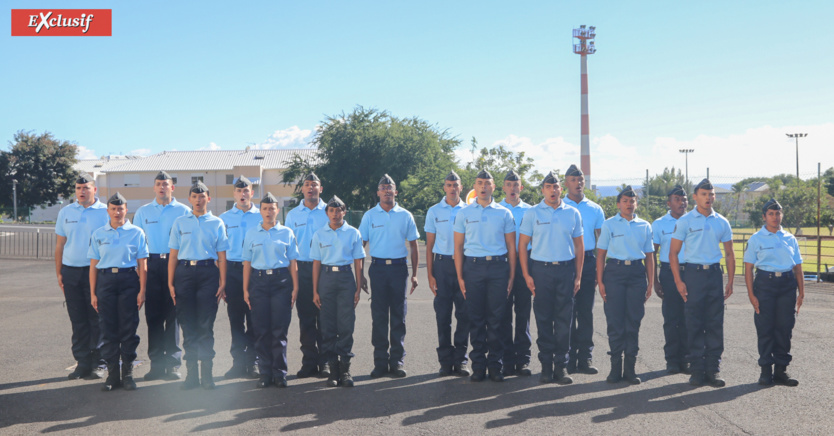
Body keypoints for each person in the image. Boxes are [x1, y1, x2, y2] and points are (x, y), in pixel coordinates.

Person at [518, 171, 583, 384]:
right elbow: (522, 245)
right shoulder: (533, 213)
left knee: (564, 321)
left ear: (560, 189)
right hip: (541, 271)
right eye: (548, 187)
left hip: (565, 270)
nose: (553, 191)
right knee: (544, 319)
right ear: (543, 190)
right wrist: (527, 274)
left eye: (556, 187)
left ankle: (561, 368)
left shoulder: (572, 213)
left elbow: (579, 246)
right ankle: (546, 367)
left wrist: (578, 276)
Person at [669, 178, 735, 388]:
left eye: (711, 194)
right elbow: (673, 253)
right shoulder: (685, 221)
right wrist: (679, 281)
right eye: (704, 194)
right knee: (694, 323)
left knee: (715, 323)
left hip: (714, 275)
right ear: (695, 196)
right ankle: (697, 370)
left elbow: (730, 254)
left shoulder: (722, 221)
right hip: (693, 275)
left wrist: (731, 281)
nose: (708, 198)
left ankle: (713, 370)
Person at [453, 169, 516, 382]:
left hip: (498, 268)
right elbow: (458, 246)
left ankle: (495, 366)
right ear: (474, 186)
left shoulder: (504, 213)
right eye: (479, 182)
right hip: (473, 268)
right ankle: (478, 365)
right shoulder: (464, 213)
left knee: (497, 319)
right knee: (476, 319)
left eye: (487, 183)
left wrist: (511, 276)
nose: (483, 186)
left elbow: (511, 246)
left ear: (493, 187)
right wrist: (460, 276)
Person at [168, 181, 230, 390]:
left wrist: (223, 281)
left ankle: (207, 376)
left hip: (207, 274)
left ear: (208, 199)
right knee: (188, 325)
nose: (198, 200)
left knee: (205, 325)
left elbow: (222, 256)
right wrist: (170, 282)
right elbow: (173, 255)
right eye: (194, 196)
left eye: (202, 196)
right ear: (189, 199)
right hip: (184, 273)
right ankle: (191, 376)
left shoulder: (216, 223)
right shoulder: (179, 222)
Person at [359, 174, 420, 378]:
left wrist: (414, 274)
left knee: (398, 317)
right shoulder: (369, 216)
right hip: (376, 269)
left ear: (396, 192)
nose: (386, 190)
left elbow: (413, 244)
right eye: (383, 187)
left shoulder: (405, 215)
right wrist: (360, 273)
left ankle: (397, 362)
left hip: (398, 269)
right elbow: (361, 245)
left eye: (390, 187)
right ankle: (380, 363)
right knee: (378, 317)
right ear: (378, 192)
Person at [88, 192, 149, 391]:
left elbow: (142, 265)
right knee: (108, 328)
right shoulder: (99, 234)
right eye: (113, 209)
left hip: (129, 281)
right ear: (108, 211)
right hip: (105, 281)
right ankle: (113, 375)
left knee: (128, 329)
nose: (117, 212)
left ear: (126, 210)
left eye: (120, 208)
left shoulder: (137, 232)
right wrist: (93, 293)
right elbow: (93, 266)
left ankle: (128, 374)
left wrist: (142, 291)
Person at [134, 170, 190, 381]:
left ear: (172, 187)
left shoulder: (184, 211)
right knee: (153, 317)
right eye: (158, 184)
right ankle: (156, 365)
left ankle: (174, 364)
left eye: (165, 184)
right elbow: (137, 244)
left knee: (173, 317)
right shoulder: (143, 212)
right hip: (151, 264)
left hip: (174, 263)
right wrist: (140, 272)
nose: (162, 187)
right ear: (154, 187)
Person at [596, 186, 654, 385]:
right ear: (618, 203)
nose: (629, 204)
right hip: (614, 273)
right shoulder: (609, 224)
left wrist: (650, 282)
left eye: (633, 201)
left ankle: (630, 369)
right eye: (625, 201)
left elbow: (649, 256)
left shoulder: (645, 225)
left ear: (636, 203)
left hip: (637, 274)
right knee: (615, 321)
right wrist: (600, 281)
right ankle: (614, 369)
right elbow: (601, 254)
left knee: (633, 322)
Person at [743, 198, 803, 387]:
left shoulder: (790, 238)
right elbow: (748, 269)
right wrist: (751, 295)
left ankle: (781, 371)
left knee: (785, 328)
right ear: (764, 217)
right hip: (765, 285)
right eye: (771, 214)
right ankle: (765, 371)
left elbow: (798, 267)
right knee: (765, 328)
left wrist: (801, 292)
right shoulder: (756, 239)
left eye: (778, 213)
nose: (775, 217)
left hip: (787, 285)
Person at [55, 173, 109, 380]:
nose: (82, 191)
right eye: (78, 188)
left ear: (95, 190)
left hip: (95, 271)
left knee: (96, 318)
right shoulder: (66, 212)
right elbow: (60, 245)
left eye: (86, 187)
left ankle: (98, 362)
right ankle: (82, 362)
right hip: (71, 272)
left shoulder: (105, 212)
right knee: (77, 320)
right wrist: (59, 273)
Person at [242, 192, 299, 388]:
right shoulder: (251, 234)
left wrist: (295, 287)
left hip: (281, 282)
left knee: (279, 330)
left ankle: (280, 373)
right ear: (261, 211)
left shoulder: (287, 233)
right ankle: (265, 373)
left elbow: (293, 263)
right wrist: (245, 289)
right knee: (261, 329)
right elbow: (247, 264)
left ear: (277, 210)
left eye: (272, 208)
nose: (268, 212)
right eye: (265, 208)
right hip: (258, 282)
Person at [311, 196, 366, 387]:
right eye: (331, 211)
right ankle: (333, 371)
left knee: (346, 325)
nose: (335, 214)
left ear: (344, 212)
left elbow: (358, 262)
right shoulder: (319, 234)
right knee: (327, 326)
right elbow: (316, 263)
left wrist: (358, 288)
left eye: (339, 210)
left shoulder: (353, 233)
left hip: (345, 279)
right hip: (326, 278)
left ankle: (345, 370)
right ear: (327, 213)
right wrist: (315, 291)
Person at [284, 172, 330, 379]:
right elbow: (288, 247)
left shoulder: (329, 211)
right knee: (306, 318)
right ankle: (309, 362)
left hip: (325, 270)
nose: (311, 187)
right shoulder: (293, 215)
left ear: (321, 188)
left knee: (325, 318)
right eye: (307, 185)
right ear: (302, 189)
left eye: (315, 184)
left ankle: (326, 363)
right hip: (301, 269)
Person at [424, 171, 470, 377]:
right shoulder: (434, 211)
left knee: (464, 315)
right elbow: (429, 245)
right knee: (443, 316)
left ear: (461, 187)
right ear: (444, 187)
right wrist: (430, 274)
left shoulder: (469, 210)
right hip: (442, 266)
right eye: (449, 184)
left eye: (456, 184)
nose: (453, 188)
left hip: (464, 266)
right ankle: (445, 361)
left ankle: (460, 360)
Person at [562, 164, 605, 375]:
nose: (578, 183)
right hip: (565, 261)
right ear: (565, 183)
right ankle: (567, 359)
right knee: (566, 312)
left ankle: (585, 358)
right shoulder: (559, 205)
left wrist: (599, 271)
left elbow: (602, 242)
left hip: (588, 261)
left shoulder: (595, 209)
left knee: (585, 312)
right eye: (573, 180)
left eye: (580, 180)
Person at [219, 175, 261, 379]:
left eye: (246, 191)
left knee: (254, 318)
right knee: (235, 318)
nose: (243, 194)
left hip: (254, 272)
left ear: (252, 193)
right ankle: (237, 362)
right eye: (239, 191)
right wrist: (223, 281)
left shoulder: (261, 216)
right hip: (233, 271)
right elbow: (221, 253)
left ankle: (252, 361)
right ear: (234, 194)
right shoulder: (224, 218)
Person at [652, 184, 690, 375]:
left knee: (689, 318)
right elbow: (652, 253)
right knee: (671, 318)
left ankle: (687, 359)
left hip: (691, 273)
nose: (682, 202)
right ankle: (672, 361)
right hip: (668, 273)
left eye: (684, 199)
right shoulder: (659, 223)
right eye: (677, 199)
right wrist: (655, 281)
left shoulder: (694, 220)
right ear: (669, 203)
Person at [498, 169, 533, 377]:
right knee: (502, 314)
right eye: (509, 185)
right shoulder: (496, 209)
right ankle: (506, 359)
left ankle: (523, 360)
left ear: (521, 187)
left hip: (525, 264)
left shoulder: (531, 210)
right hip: (501, 263)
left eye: (516, 184)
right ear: (503, 187)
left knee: (523, 312)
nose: (512, 188)